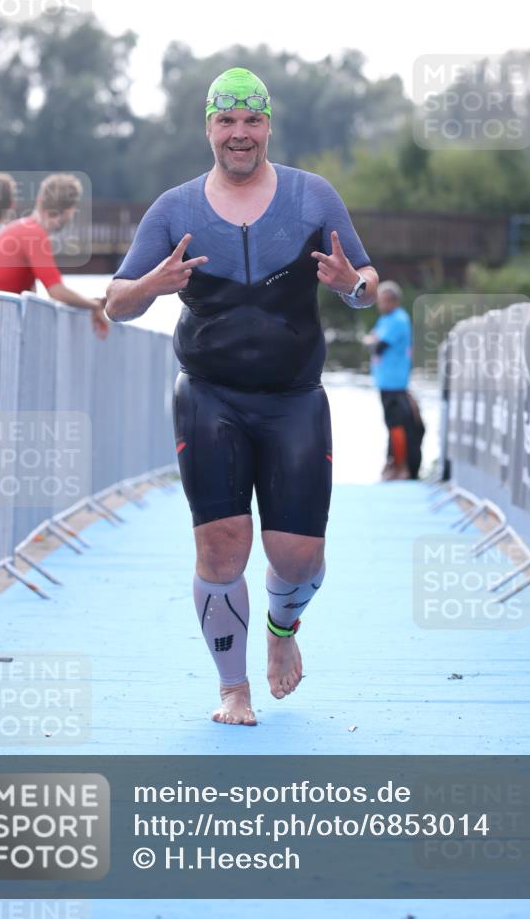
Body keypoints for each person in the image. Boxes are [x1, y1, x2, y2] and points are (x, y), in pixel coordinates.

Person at [105, 67, 379, 726]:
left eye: (250, 121)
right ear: (208, 128)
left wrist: (350, 284)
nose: (238, 134)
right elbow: (114, 304)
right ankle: (233, 687)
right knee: (223, 546)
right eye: (226, 121)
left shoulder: (313, 198)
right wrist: (153, 284)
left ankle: (282, 629)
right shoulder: (173, 210)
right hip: (209, 397)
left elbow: (366, 280)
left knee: (297, 556)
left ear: (267, 127)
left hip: (293, 400)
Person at [0, 173, 109, 338]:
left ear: (39, 199)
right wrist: (94, 305)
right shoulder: (34, 235)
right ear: (70, 210)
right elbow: (56, 291)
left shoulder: (19, 227)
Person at [363, 280, 424, 480]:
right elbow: (371, 340)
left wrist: (372, 341)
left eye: (382, 301)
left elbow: (376, 345)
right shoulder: (385, 319)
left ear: (393, 301)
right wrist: (371, 341)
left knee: (398, 424)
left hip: (395, 383)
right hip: (385, 382)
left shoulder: (398, 319)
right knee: (392, 424)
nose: (379, 305)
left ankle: (400, 466)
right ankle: (394, 463)